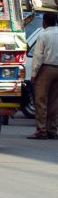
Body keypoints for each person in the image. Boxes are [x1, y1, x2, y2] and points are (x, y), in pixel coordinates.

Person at [29, 11, 58, 139]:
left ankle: (41, 130)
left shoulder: (44, 35)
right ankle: (52, 129)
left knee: (41, 101)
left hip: (46, 69)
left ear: (44, 22)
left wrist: (34, 73)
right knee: (55, 102)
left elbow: (38, 56)